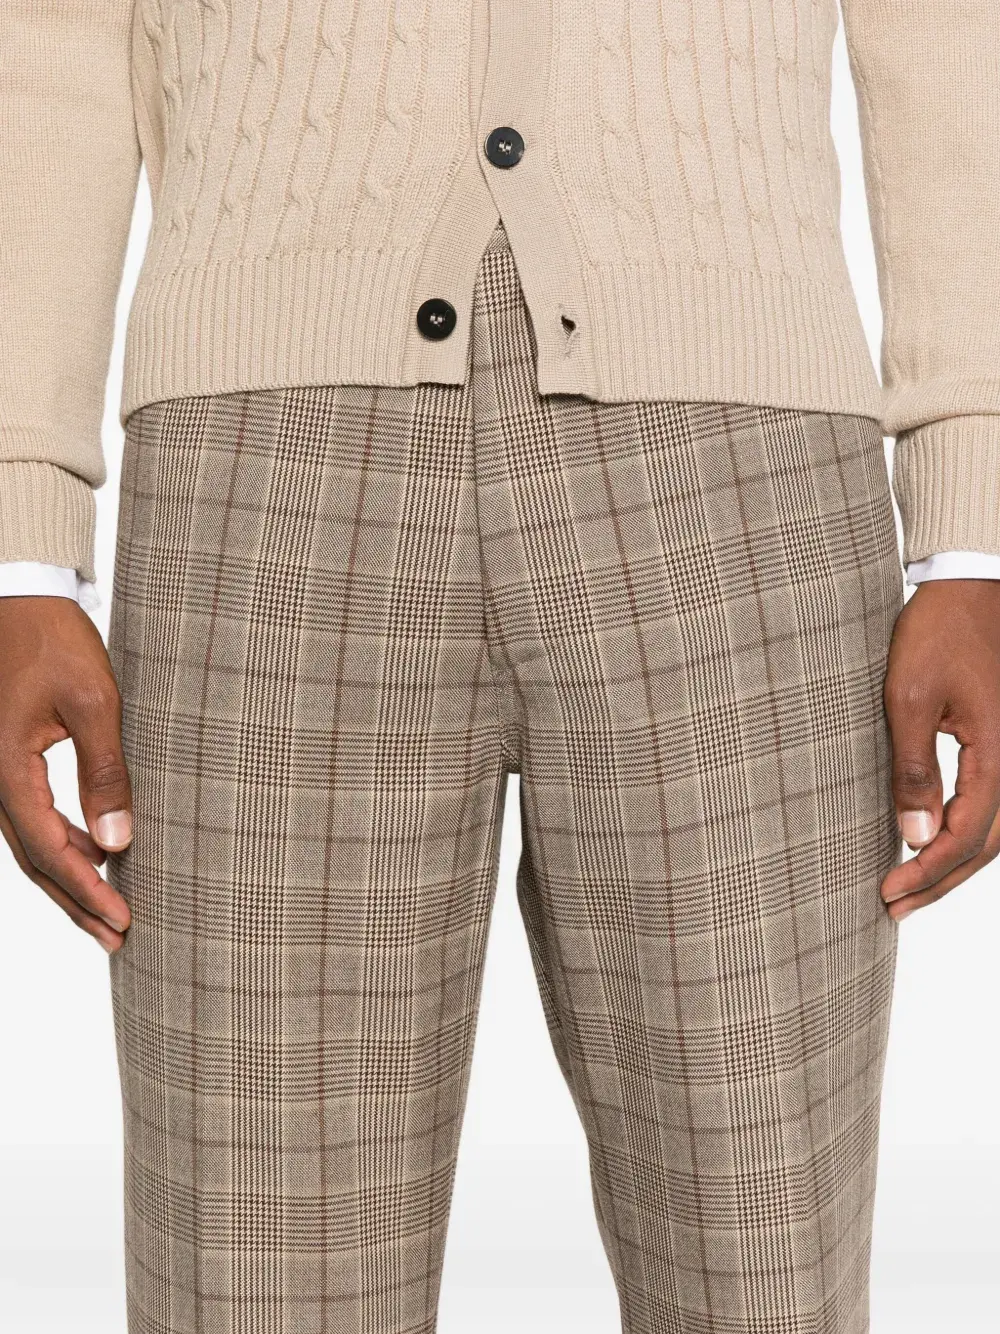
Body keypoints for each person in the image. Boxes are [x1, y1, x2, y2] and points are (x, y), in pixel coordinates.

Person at [0, 3, 997, 1331]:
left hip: (736, 463)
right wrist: (18, 540)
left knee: (764, 1259)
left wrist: (974, 522)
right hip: (267, 463)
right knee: (254, 1269)